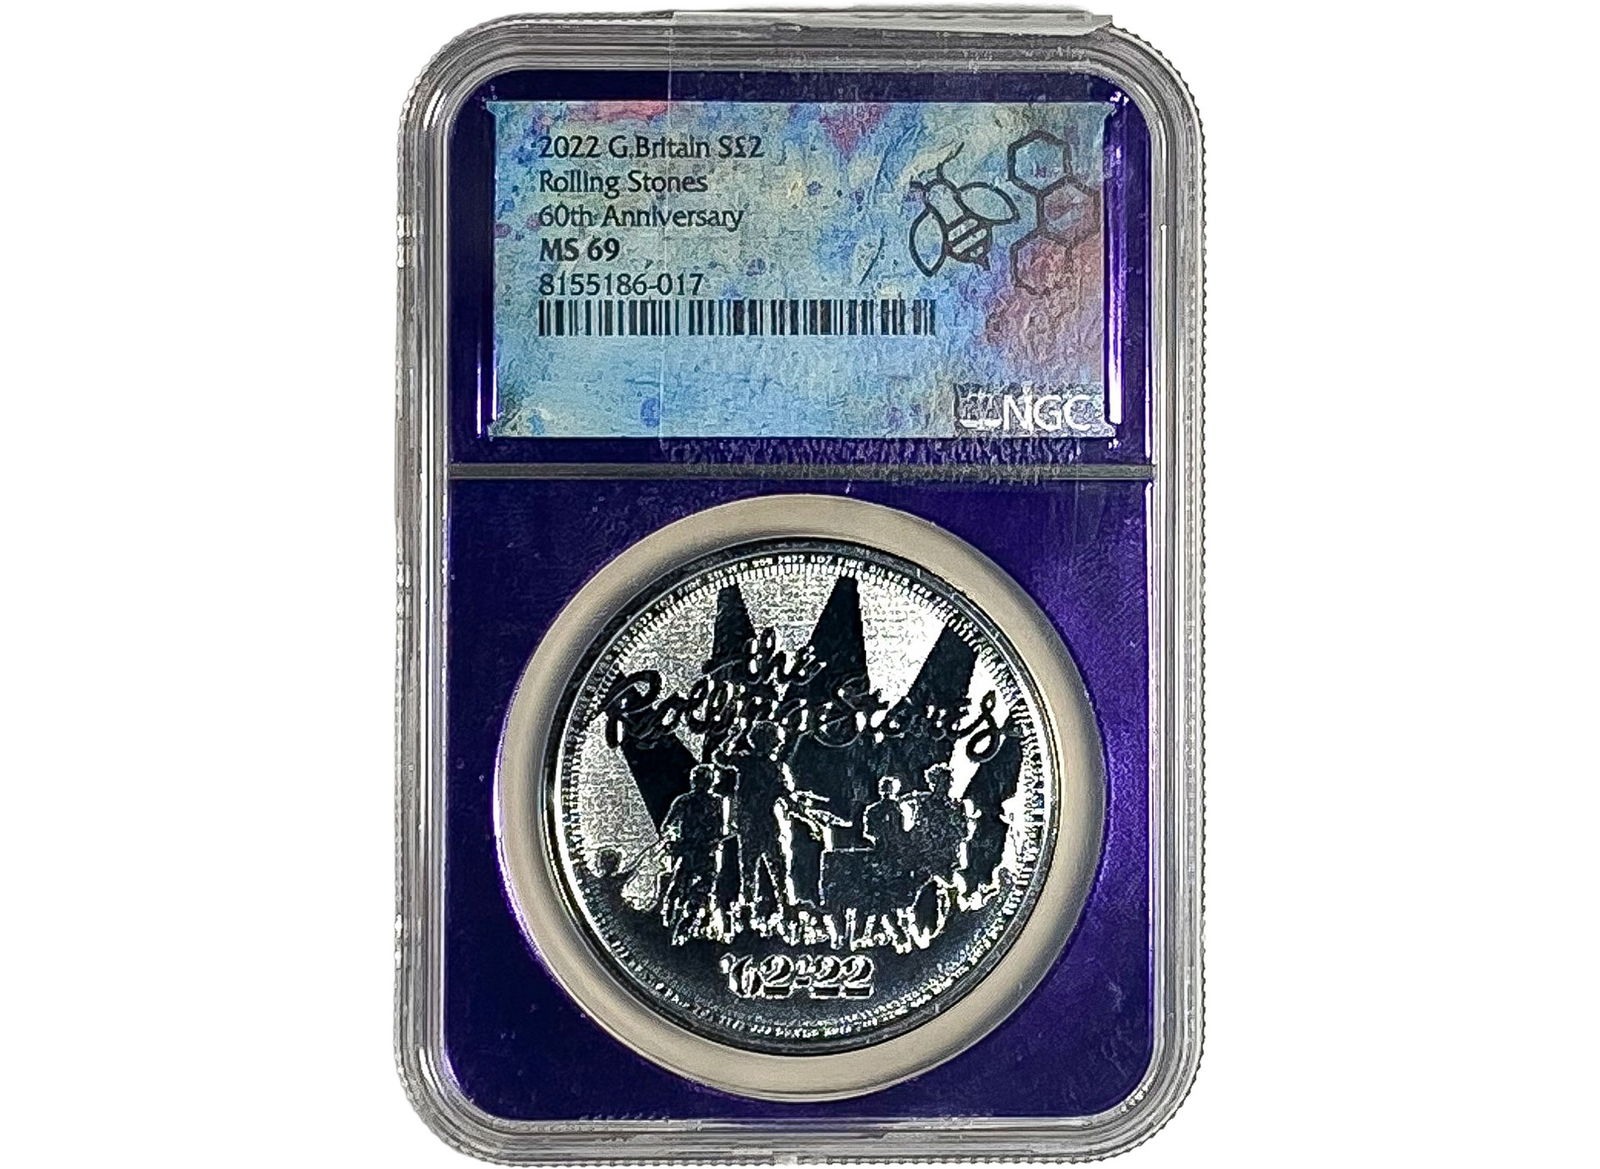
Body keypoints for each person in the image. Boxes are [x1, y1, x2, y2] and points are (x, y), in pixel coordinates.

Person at [658, 763, 732, 941]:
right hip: (694, 851)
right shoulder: (693, 801)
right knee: (683, 884)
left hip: (701, 851)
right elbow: (668, 826)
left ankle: (683, 921)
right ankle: (673, 919)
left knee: (694, 885)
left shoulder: (707, 801)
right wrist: (673, 838)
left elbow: (722, 829)